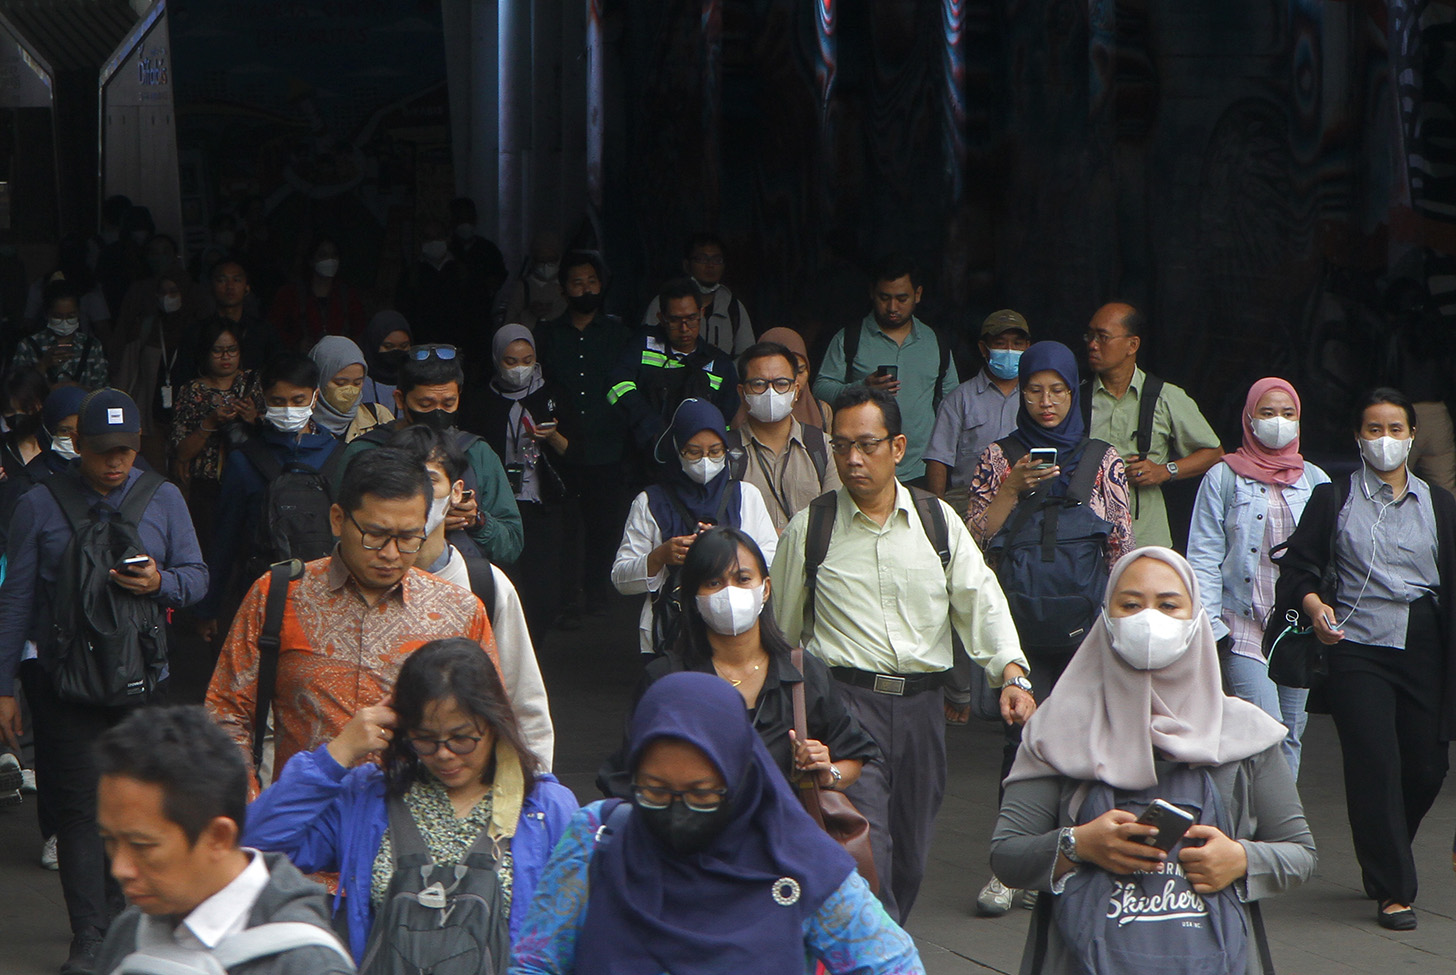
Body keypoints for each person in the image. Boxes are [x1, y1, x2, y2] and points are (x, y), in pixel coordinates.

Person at [771, 384, 1033, 923]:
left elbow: (979, 599)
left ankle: (879, 946)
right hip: (843, 710)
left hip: (921, 712)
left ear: (898, 447)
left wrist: (1009, 671)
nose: (853, 459)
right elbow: (782, 636)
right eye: (841, 446)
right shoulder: (811, 529)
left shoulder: (937, 522)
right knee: (865, 852)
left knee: (911, 856)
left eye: (866, 444)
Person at [990, 547, 1316, 974]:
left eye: (1168, 605)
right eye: (1129, 604)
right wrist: (1078, 845)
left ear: (1196, 618)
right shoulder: (1058, 728)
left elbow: (1299, 853)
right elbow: (1008, 854)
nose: (1148, 619)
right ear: (1105, 617)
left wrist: (1240, 859)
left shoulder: (1244, 733)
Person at [508, 672, 925, 975]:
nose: (677, 809)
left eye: (702, 793)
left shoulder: (798, 864)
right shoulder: (596, 838)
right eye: (655, 790)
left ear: (741, 778)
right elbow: (533, 962)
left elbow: (894, 964)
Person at [0, 389, 207, 975]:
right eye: (101, 452)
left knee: (140, 808)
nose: (115, 463)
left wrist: (160, 583)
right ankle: (88, 936)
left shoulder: (162, 497)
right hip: (65, 686)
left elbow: (199, 579)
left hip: (145, 682)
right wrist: (4, 687)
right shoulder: (39, 504)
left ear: (138, 446)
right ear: (76, 447)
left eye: (126, 451)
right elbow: (14, 602)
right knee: (79, 813)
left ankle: (128, 925)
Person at [205, 448, 552, 789]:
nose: (390, 554)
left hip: (420, 833)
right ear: (338, 519)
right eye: (374, 535)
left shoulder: (460, 610)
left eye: (408, 538)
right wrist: (251, 810)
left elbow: (491, 724)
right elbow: (227, 714)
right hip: (305, 826)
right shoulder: (277, 595)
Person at [243, 639, 577, 966]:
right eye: (425, 739)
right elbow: (254, 847)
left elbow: (576, 929)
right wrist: (336, 755)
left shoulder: (545, 810)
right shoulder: (368, 799)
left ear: (494, 724)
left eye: (461, 738)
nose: (444, 754)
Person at [1272, 387, 1455, 930]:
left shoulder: (1441, 505)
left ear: (1412, 437)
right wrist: (1315, 606)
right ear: (1358, 437)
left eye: (1395, 430)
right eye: (1373, 430)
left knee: (1426, 767)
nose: (1385, 441)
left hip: (1425, 642)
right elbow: (1298, 570)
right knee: (1375, 763)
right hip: (1354, 644)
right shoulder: (1334, 499)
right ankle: (1394, 888)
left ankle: (1384, 847)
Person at [962, 340, 1134, 915]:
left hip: (1084, 631)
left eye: (1057, 389)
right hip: (1018, 628)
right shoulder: (997, 455)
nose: (1045, 401)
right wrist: (1011, 486)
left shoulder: (1100, 458)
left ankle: (1068, 864)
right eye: (1034, 389)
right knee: (1021, 746)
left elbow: (1120, 550)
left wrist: (1118, 632)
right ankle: (1008, 869)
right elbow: (975, 540)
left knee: (1083, 746)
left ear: (1073, 391)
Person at [598, 526, 878, 795]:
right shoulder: (665, 680)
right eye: (713, 582)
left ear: (765, 589)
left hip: (779, 839)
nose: (729, 592)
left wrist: (827, 771)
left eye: (743, 579)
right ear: (693, 597)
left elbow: (853, 756)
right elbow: (627, 775)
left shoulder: (803, 672)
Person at [92, 706, 353, 975]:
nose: (120, 869)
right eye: (110, 840)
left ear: (218, 837)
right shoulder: (132, 929)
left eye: (142, 846)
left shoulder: (305, 964)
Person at [1188, 378, 1329, 778]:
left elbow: (1329, 556)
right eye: (1267, 413)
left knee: (1290, 734)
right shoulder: (1223, 477)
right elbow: (1203, 554)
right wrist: (1210, 625)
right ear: (1249, 419)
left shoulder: (1316, 480)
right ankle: (1269, 828)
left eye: (1288, 414)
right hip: (1244, 625)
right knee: (1265, 732)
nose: (1278, 422)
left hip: (1296, 630)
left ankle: (1276, 830)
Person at [194, 352, 343, 638]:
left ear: (315, 396)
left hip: (329, 601)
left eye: (298, 400)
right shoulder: (244, 461)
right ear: (263, 397)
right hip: (262, 600)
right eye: (278, 401)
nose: (288, 409)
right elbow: (225, 538)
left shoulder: (340, 457)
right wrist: (209, 608)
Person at [612, 399, 777, 655]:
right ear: (676, 448)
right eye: (693, 451)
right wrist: (660, 557)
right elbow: (621, 579)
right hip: (671, 637)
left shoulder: (746, 496)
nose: (705, 460)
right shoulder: (650, 502)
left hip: (740, 637)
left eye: (715, 451)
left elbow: (774, 562)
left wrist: (727, 550)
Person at [388, 425, 545, 694]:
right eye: (404, 479)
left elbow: (523, 698)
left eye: (430, 480)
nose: (418, 493)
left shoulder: (488, 585)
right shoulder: (363, 576)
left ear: (457, 491)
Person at [338, 344, 525, 564]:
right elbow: (337, 533)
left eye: (448, 403)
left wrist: (477, 520)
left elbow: (512, 545)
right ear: (400, 399)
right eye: (425, 404)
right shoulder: (365, 452)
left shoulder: (477, 453)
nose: (438, 413)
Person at [535, 252, 634, 618]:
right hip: (560, 448)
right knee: (565, 529)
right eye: (577, 282)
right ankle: (566, 598)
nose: (585, 288)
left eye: (591, 281)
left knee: (604, 527)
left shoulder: (619, 335)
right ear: (564, 289)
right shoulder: (548, 335)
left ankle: (596, 592)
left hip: (608, 447)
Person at [1084, 302, 1222, 549]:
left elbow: (1213, 453)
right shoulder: (1076, 397)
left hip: (1144, 536)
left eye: (1102, 337)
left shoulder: (1166, 397)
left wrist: (1164, 471)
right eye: (1090, 336)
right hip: (1083, 533)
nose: (1093, 345)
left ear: (1132, 345)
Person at [812, 255, 958, 486]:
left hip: (921, 469)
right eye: (884, 298)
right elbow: (820, 389)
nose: (892, 307)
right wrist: (861, 388)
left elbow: (951, 404)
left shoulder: (935, 341)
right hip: (862, 466)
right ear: (872, 293)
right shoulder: (850, 338)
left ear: (918, 295)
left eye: (902, 299)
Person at [471, 325, 575, 637]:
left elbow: (576, 452)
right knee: (505, 576)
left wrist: (553, 437)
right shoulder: (481, 400)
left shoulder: (553, 394)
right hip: (499, 505)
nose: (520, 369)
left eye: (527, 360)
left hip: (542, 502)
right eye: (511, 361)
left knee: (542, 579)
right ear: (496, 360)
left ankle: (538, 637)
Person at [607, 278, 740, 457]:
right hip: (642, 458)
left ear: (701, 313)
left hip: (698, 460)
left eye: (691, 318)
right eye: (675, 320)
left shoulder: (719, 364)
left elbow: (727, 421)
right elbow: (616, 385)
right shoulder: (643, 344)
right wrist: (651, 425)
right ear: (661, 318)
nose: (684, 328)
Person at [167, 319, 264, 556]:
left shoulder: (253, 383)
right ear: (205, 352)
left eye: (232, 350)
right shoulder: (192, 391)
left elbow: (272, 433)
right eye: (217, 351)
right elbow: (182, 451)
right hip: (207, 487)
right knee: (209, 550)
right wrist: (210, 422)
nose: (225, 357)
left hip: (248, 481)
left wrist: (253, 418)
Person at [727, 341, 840, 533]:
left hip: (810, 560)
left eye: (781, 384)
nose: (770, 392)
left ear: (796, 390)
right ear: (742, 391)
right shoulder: (724, 452)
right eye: (758, 384)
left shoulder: (823, 447)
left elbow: (836, 519)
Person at [924, 309, 1030, 508]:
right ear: (984, 348)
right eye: (1000, 343)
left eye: (1017, 343)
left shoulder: (1036, 395)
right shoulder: (959, 399)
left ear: (1028, 347)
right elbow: (938, 460)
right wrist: (936, 512)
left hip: (1023, 505)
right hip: (969, 501)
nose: (1009, 350)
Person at [641, 233, 755, 355]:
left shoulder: (733, 307)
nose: (710, 265)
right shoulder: (664, 301)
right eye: (702, 259)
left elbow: (747, 356)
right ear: (686, 265)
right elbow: (645, 347)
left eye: (717, 260)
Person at [186, 258, 286, 377]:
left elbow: (279, 372)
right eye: (221, 280)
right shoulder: (196, 332)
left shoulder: (264, 331)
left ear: (247, 287)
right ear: (211, 287)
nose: (230, 286)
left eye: (236, 280)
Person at [267, 237, 366, 350]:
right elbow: (274, 330)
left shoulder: (348, 295)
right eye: (323, 255)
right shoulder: (290, 294)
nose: (330, 260)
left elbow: (360, 330)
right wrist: (295, 344)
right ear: (311, 260)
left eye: (334, 255)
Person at [13, 280, 111, 389]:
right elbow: (18, 391)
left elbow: (103, 392)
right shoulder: (27, 347)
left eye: (70, 316)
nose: (64, 321)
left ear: (78, 313)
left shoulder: (93, 346)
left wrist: (74, 389)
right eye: (58, 316)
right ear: (47, 314)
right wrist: (43, 365)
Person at [396, 218, 472, 353]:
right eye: (428, 238)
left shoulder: (461, 272)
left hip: (456, 345)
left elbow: (472, 312)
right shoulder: (412, 274)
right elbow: (404, 310)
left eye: (437, 237)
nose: (433, 242)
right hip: (422, 346)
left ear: (447, 239)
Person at [309, 335, 392, 442]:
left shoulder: (379, 417)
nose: (350, 391)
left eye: (357, 383)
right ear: (319, 380)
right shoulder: (299, 422)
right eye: (340, 383)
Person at [752, 326, 834, 429]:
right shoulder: (743, 418)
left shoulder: (822, 411)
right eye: (781, 376)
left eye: (800, 371)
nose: (794, 382)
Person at [496, 230, 567, 330]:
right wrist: (530, 314)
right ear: (534, 260)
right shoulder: (523, 287)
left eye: (551, 260)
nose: (546, 266)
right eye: (541, 261)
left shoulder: (567, 285)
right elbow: (508, 327)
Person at [449, 197, 509, 312]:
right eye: (460, 219)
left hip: (480, 315)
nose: (465, 224)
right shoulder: (446, 249)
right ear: (453, 221)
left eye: (469, 219)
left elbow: (498, 278)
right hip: (450, 317)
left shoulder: (488, 249)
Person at [359, 309, 411, 408]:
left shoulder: (416, 379)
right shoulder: (358, 381)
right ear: (373, 344)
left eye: (404, 346)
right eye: (388, 346)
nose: (396, 351)